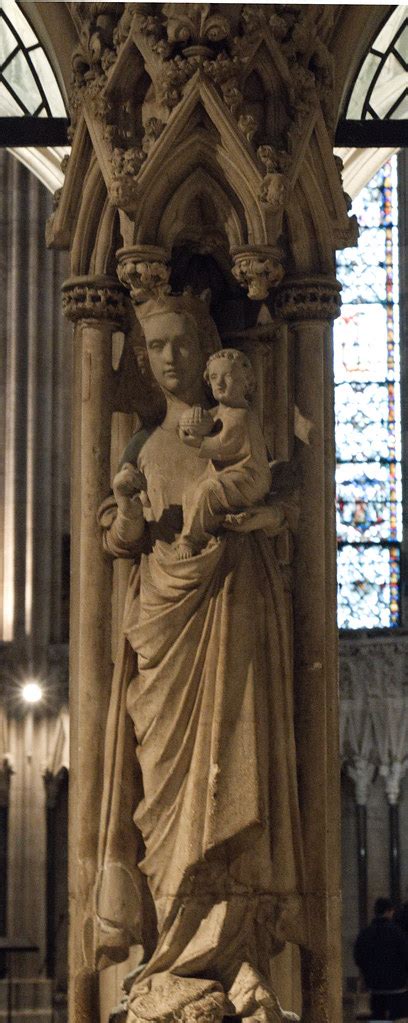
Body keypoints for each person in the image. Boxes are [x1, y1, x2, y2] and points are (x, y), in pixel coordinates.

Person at [96, 291, 305, 1022]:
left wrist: (269, 514)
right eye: (155, 347)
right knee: (161, 796)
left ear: (205, 345)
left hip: (229, 610)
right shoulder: (143, 445)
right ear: (144, 360)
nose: (171, 358)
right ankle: (166, 960)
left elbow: (281, 492)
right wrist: (125, 508)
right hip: (162, 624)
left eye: (182, 343)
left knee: (231, 772)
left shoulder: (230, 427)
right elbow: (120, 538)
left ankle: (233, 956)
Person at [176, 348, 272, 560]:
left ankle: (190, 540)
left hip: (249, 478)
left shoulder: (242, 415)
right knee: (191, 490)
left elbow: (223, 445)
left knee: (207, 491)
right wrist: (187, 427)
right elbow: (199, 422)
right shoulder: (218, 413)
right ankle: (204, 533)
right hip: (227, 476)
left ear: (245, 381)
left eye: (228, 376)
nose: (219, 383)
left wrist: (197, 441)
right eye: (213, 377)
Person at [354, 897, 408, 1020]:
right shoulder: (398, 934)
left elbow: (359, 957)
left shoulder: (365, 933)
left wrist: (368, 974)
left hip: (375, 987)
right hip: (397, 988)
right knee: (397, 1018)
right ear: (389, 911)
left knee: (378, 1018)